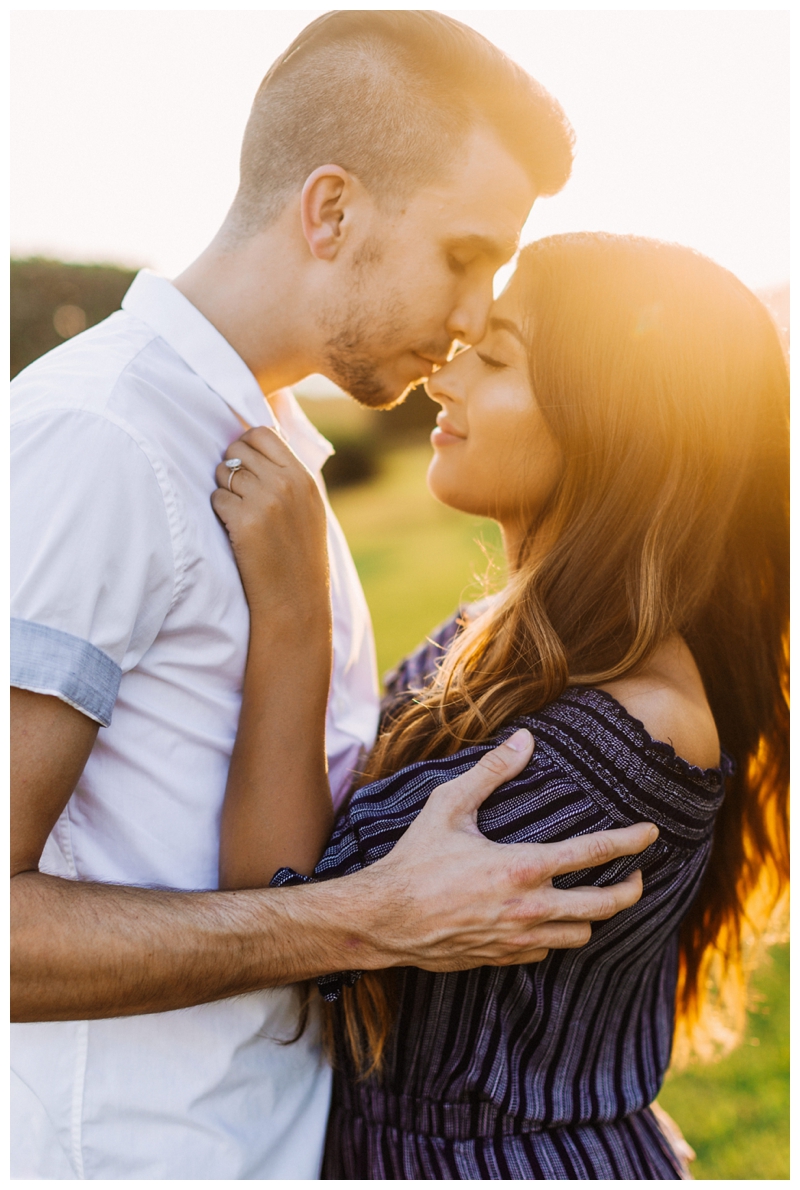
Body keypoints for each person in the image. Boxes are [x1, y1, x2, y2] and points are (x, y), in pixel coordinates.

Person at [10, 13, 656, 1181]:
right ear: (330, 211)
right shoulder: (102, 440)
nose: (472, 315)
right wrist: (369, 915)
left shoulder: (263, 452)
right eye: (463, 255)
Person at [213, 234, 789, 1179]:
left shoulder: (627, 734)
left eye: (497, 357)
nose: (446, 380)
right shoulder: (496, 636)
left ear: (615, 422)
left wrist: (292, 614)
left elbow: (284, 912)